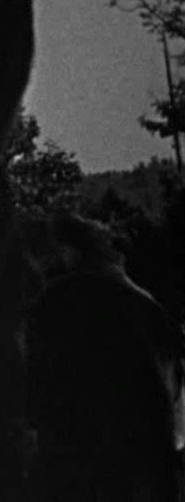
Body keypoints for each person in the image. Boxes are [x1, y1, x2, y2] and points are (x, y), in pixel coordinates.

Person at [27, 213, 185, 502]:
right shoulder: (146, 305)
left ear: (65, 251)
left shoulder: (58, 304)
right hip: (153, 475)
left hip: (90, 475)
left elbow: (38, 395)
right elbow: (174, 395)